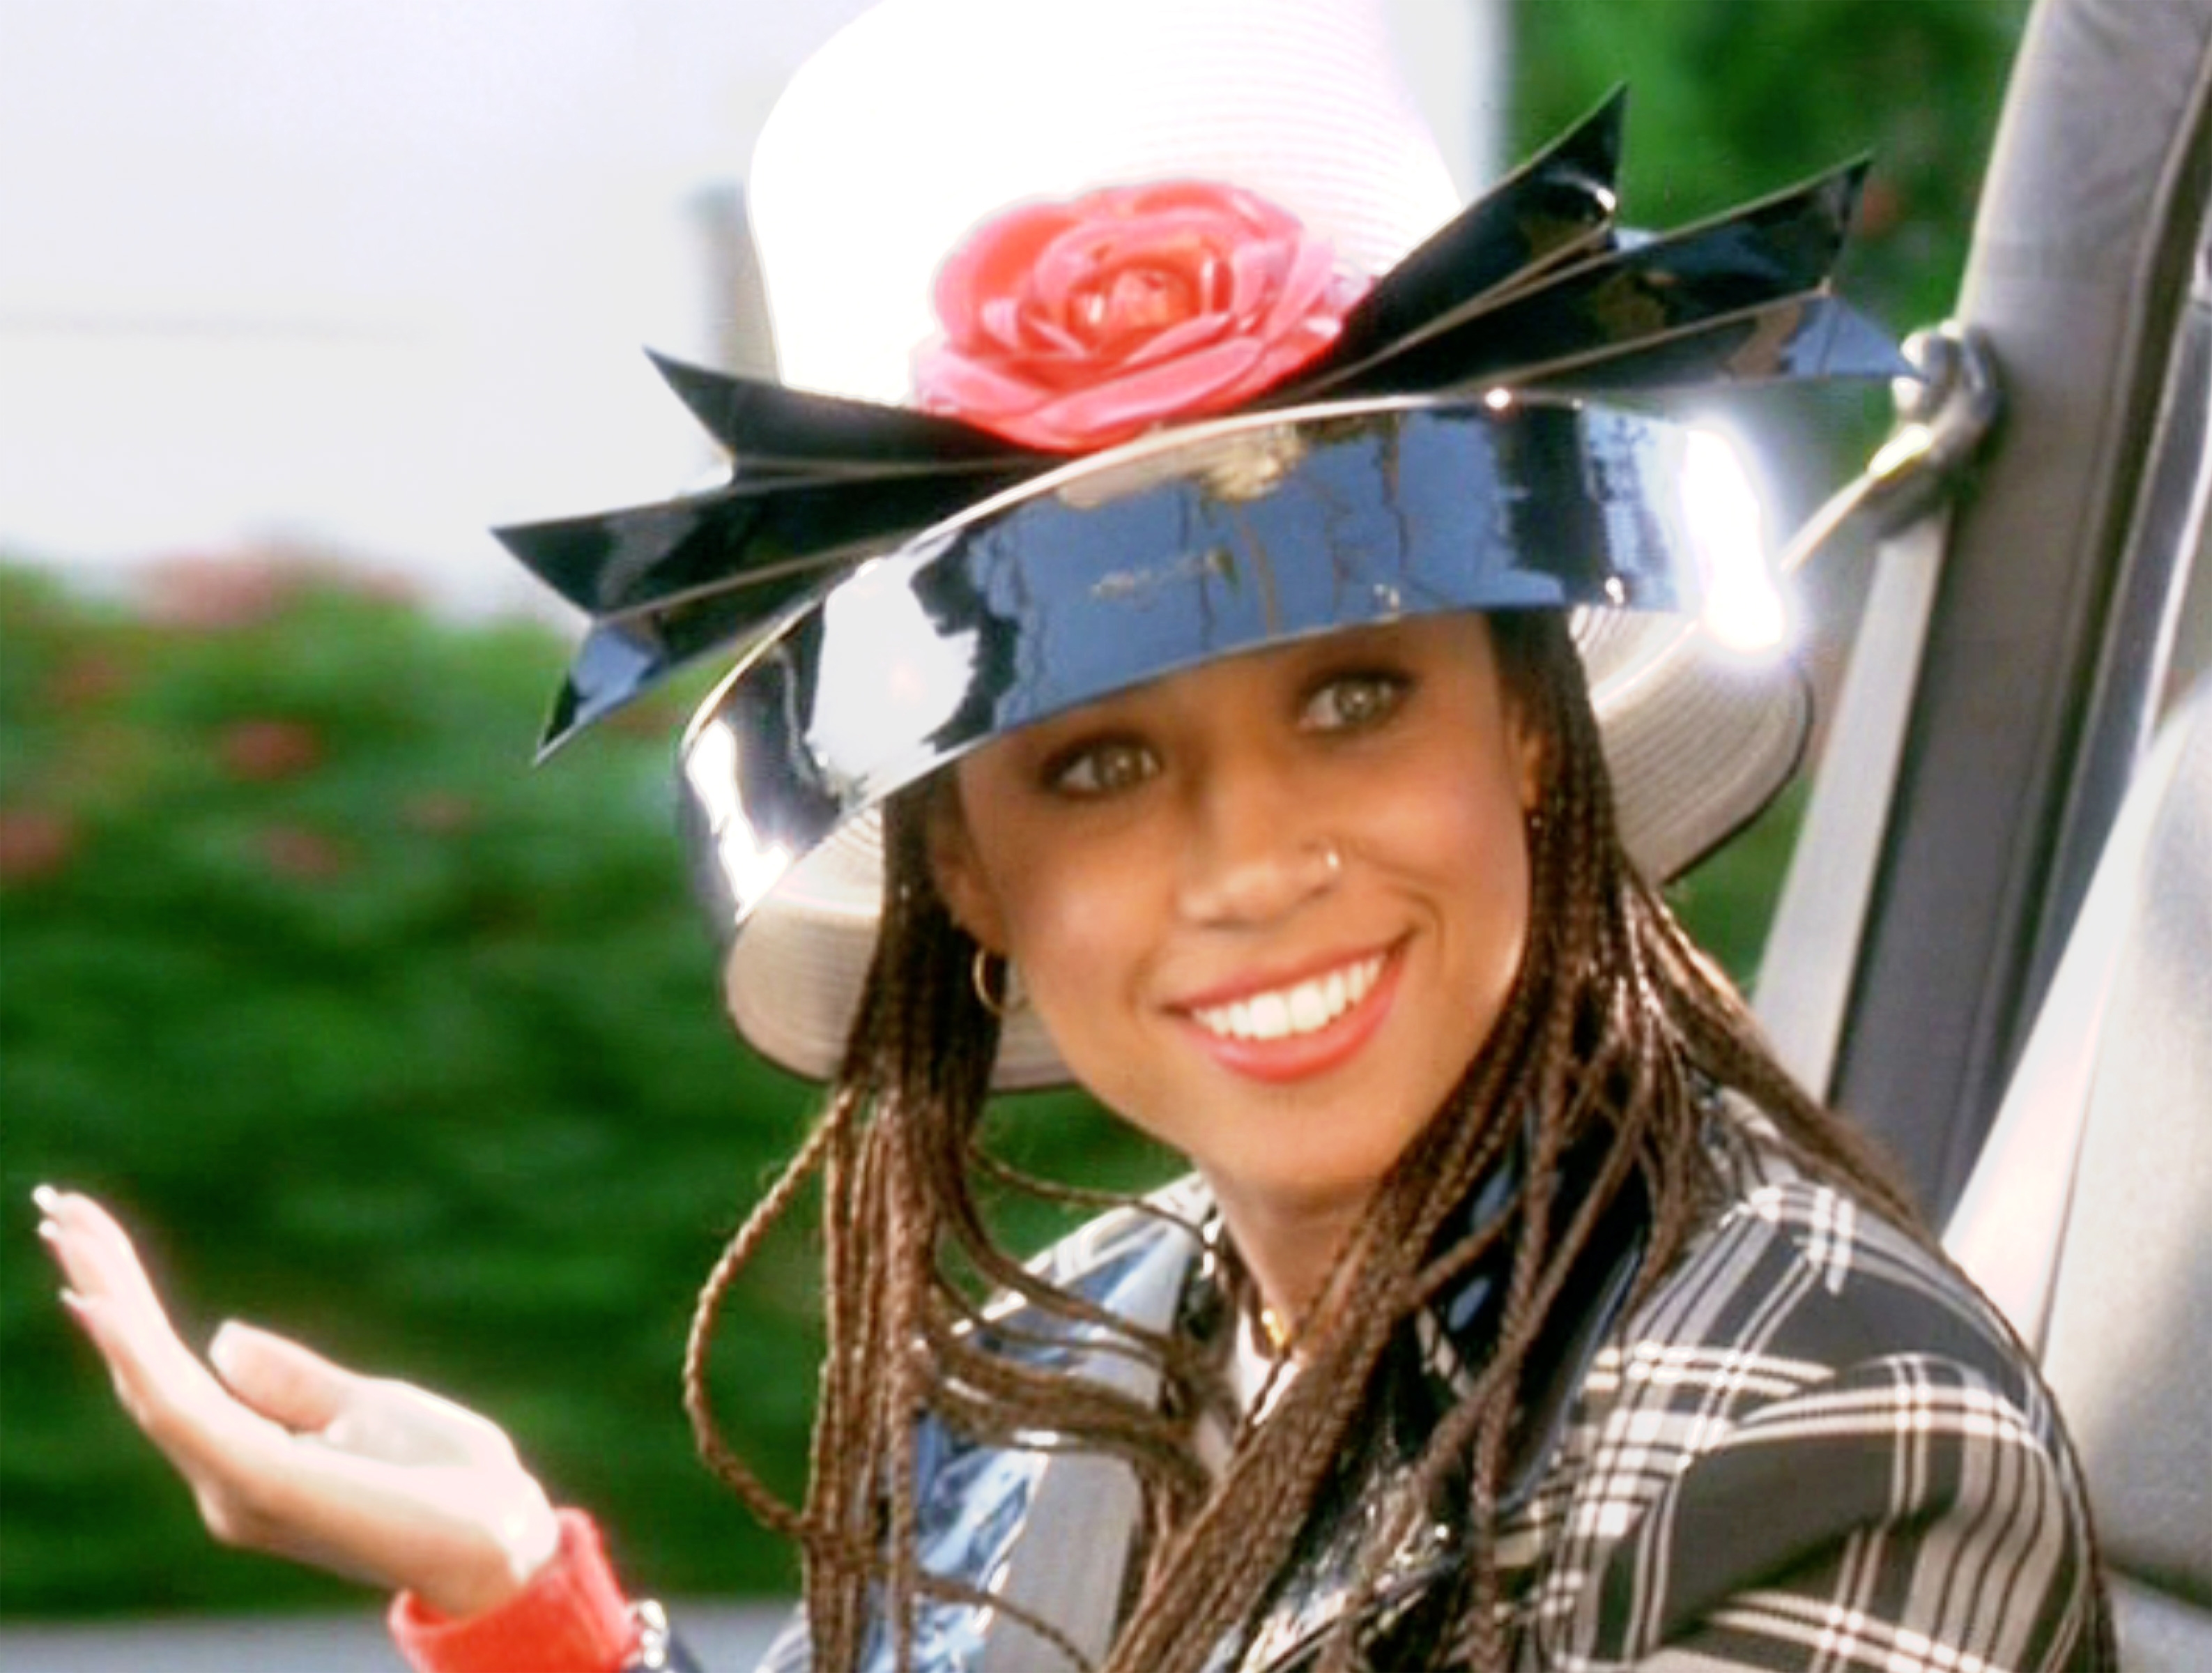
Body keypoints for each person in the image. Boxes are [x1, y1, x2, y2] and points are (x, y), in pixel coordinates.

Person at [34, 1, 2116, 1669]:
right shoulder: (1062, 1364)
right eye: (1101, 767)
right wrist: (522, 1607)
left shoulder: (1826, 1436)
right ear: (968, 880)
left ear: (1533, 734)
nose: (1252, 860)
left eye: (1356, 696)